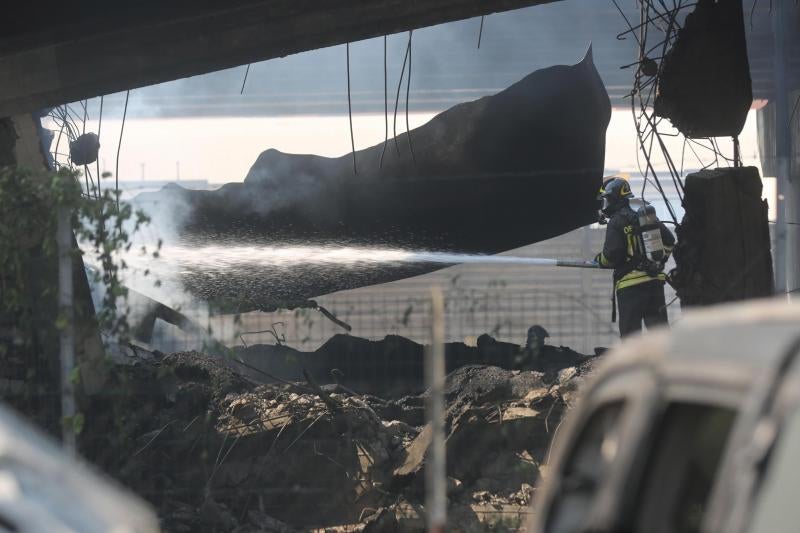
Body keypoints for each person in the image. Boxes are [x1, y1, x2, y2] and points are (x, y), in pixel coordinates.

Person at [594, 178, 675, 337]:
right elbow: (670, 241)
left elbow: (611, 256)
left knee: (631, 339)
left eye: (607, 199)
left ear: (614, 198)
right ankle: (664, 361)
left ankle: (636, 363)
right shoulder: (645, 216)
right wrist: (658, 260)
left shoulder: (617, 221)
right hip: (654, 283)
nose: (606, 204)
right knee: (660, 336)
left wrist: (599, 260)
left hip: (630, 288)